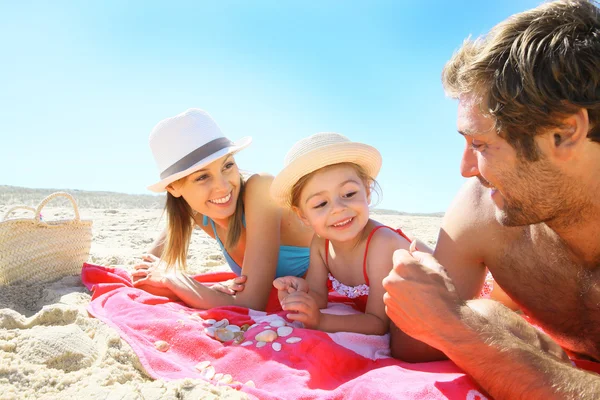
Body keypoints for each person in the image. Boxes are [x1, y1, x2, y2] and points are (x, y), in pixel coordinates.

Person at [382, 0, 600, 398]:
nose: (466, 169)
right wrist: (424, 288)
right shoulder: (482, 210)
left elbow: (447, 328)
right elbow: (414, 347)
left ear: (566, 132)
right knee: (485, 314)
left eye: (480, 143)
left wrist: (457, 325)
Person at [269, 132, 439, 359]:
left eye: (349, 193)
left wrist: (321, 321)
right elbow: (319, 296)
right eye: (320, 203)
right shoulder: (321, 242)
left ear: (367, 192)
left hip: (433, 302)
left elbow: (378, 323)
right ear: (303, 216)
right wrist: (298, 293)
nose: (338, 208)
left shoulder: (380, 245)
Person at [132, 108, 313, 311]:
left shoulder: (261, 188)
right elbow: (144, 276)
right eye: (202, 177)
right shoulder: (194, 212)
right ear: (173, 187)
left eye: (227, 166)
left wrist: (176, 280)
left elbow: (251, 305)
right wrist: (206, 290)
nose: (224, 186)